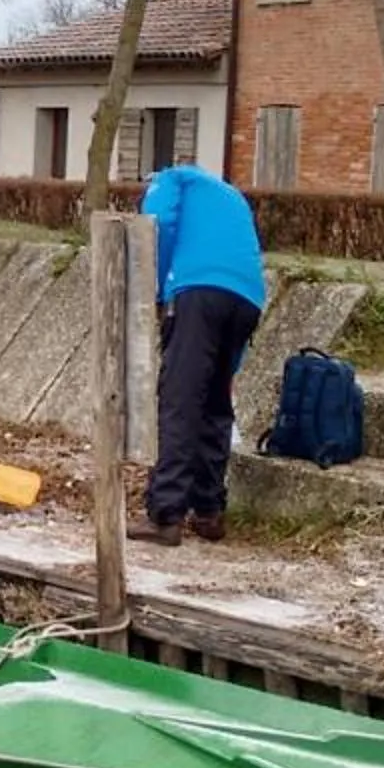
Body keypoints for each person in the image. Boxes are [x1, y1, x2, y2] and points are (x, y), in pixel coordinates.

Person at [130, 163, 269, 547]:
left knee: (180, 399)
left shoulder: (169, 180)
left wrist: (158, 289)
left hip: (197, 292)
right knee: (214, 401)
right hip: (248, 297)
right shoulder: (230, 195)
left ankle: (166, 515)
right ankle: (209, 510)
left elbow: (157, 226)